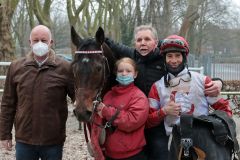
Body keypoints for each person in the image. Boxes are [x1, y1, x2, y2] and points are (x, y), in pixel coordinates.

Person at [105, 25, 223, 160]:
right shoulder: (132, 55)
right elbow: (113, 45)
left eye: (147, 39)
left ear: (156, 42)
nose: (143, 43)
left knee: (161, 152)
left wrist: (218, 82)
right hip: (139, 118)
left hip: (161, 125)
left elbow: (192, 78)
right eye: (139, 40)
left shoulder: (164, 56)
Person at [146, 35, 232, 157]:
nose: (174, 60)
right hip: (173, 144)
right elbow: (149, 121)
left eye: (177, 56)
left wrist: (214, 127)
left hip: (203, 141)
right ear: (164, 59)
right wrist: (164, 111)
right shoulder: (157, 87)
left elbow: (225, 110)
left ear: (184, 57)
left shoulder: (203, 81)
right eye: (169, 56)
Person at [0, 25, 75, 160]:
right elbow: (7, 103)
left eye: (44, 40)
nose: (39, 43)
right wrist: (5, 134)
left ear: (51, 42)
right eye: (36, 40)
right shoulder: (16, 68)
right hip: (24, 139)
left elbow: (78, 98)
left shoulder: (65, 68)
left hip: (53, 140)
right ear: (30, 43)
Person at [94, 57, 149, 160]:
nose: (124, 74)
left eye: (128, 71)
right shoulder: (108, 95)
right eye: (120, 71)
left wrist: (106, 111)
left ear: (135, 74)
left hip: (132, 155)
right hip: (108, 153)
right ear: (116, 73)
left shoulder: (139, 97)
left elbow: (131, 121)